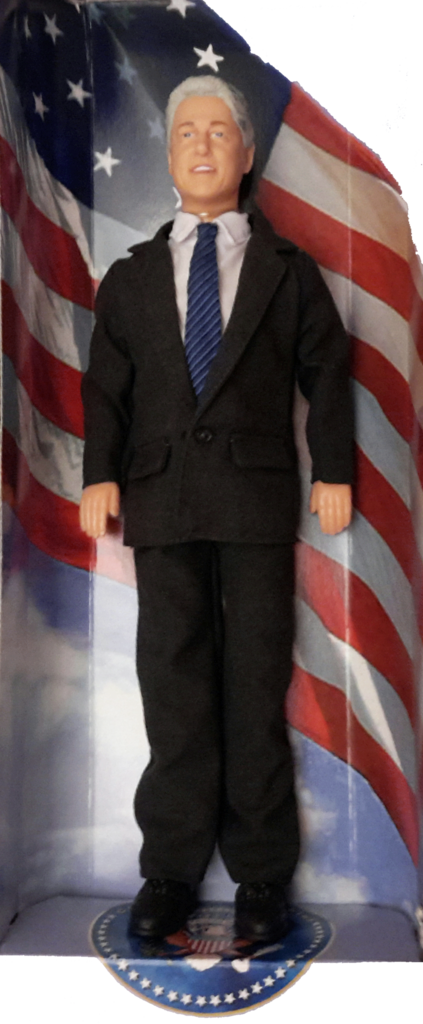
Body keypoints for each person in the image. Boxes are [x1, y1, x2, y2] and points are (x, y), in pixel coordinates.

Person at [79, 76, 353, 943]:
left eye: (218, 131)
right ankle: (170, 867)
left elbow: (327, 371)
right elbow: (106, 389)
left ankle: (261, 875)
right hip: (160, 502)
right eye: (185, 133)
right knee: (173, 685)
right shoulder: (129, 278)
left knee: (254, 681)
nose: (201, 145)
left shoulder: (286, 272)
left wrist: (334, 469)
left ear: (246, 152)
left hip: (255, 504)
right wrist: (98, 473)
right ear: (167, 157)